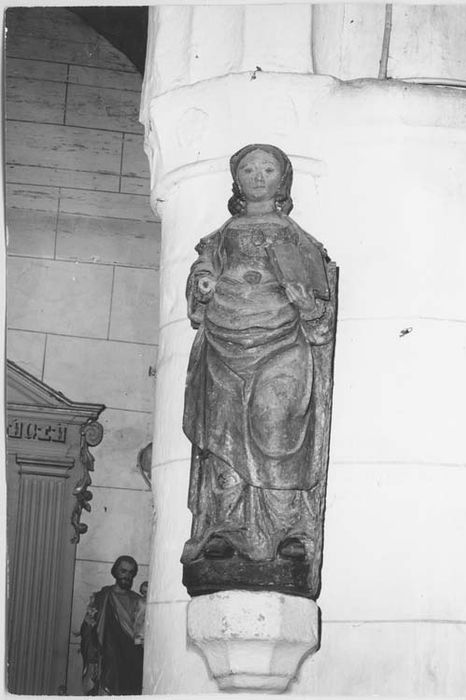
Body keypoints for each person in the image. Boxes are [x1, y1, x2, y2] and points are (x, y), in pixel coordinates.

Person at [181, 144, 337, 596]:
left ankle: (287, 531)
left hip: (281, 340)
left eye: (268, 168)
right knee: (225, 436)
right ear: (237, 179)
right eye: (249, 168)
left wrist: (307, 302)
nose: (258, 175)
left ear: (282, 179)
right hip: (224, 342)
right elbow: (203, 268)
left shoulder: (297, 237)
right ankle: (225, 533)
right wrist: (204, 281)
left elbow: (317, 299)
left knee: (276, 425)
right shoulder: (221, 234)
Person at [80, 555, 144, 695]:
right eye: (123, 571)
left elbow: (141, 637)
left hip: (130, 664)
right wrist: (92, 659)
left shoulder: (138, 602)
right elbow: (87, 629)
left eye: (131, 572)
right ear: (115, 572)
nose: (127, 576)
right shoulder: (100, 598)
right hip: (105, 662)